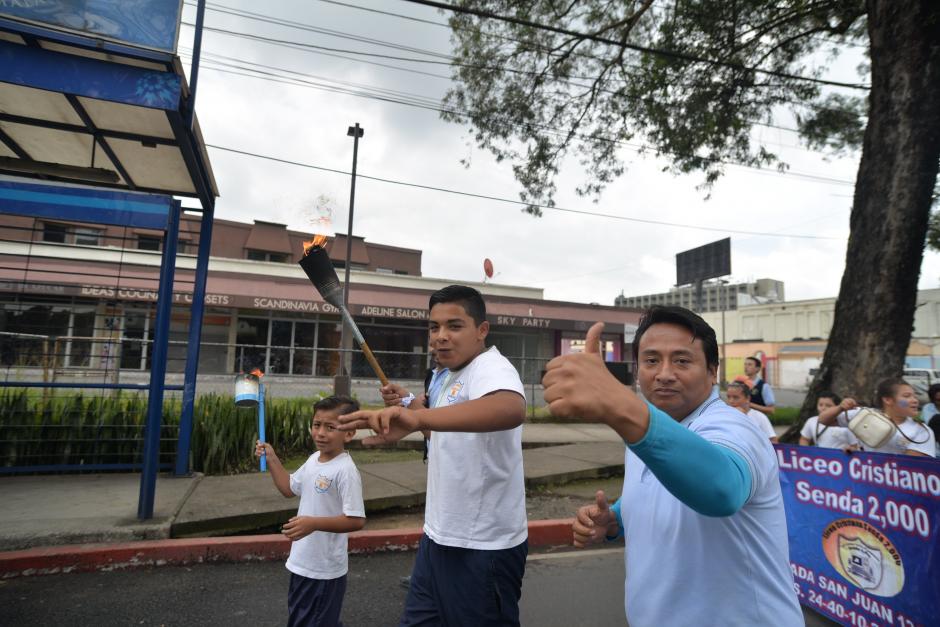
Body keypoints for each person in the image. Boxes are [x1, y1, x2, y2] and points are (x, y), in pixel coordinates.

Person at [542, 305, 801, 626]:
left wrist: (619, 404)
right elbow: (655, 492)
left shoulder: (735, 427)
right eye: (651, 360)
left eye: (681, 360)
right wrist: (613, 521)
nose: (664, 373)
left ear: (712, 371)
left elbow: (723, 490)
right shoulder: (646, 429)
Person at [338, 285, 528, 626]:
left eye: (454, 326)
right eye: (434, 327)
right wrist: (411, 405)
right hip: (438, 536)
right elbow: (439, 427)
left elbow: (509, 407)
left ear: (481, 330)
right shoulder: (445, 375)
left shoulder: (491, 367)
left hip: (483, 546)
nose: (441, 336)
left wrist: (418, 417)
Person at [255, 395, 366, 627]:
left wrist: (313, 523)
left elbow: (356, 520)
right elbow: (288, 488)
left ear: (349, 433)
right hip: (303, 562)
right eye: (317, 425)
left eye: (330, 427)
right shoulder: (314, 459)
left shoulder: (345, 470)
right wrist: (273, 458)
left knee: (313, 621)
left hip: (324, 569)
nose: (321, 433)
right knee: (305, 619)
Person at [818, 377, 936, 457]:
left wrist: (864, 456)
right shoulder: (863, 415)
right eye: (907, 396)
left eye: (914, 396)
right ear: (887, 400)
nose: (914, 400)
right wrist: (840, 407)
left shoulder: (922, 432)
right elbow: (823, 420)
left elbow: (909, 467)